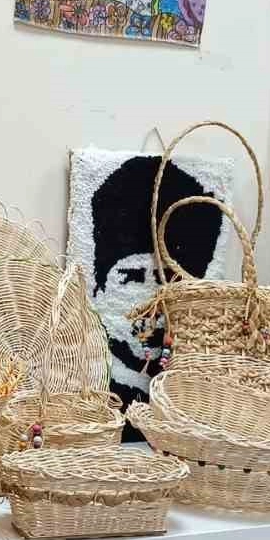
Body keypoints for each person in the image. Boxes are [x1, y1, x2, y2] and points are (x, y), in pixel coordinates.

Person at [87, 155, 224, 407]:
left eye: (171, 281)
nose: (155, 303)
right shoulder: (88, 381)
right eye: (132, 277)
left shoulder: (197, 393)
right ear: (99, 287)